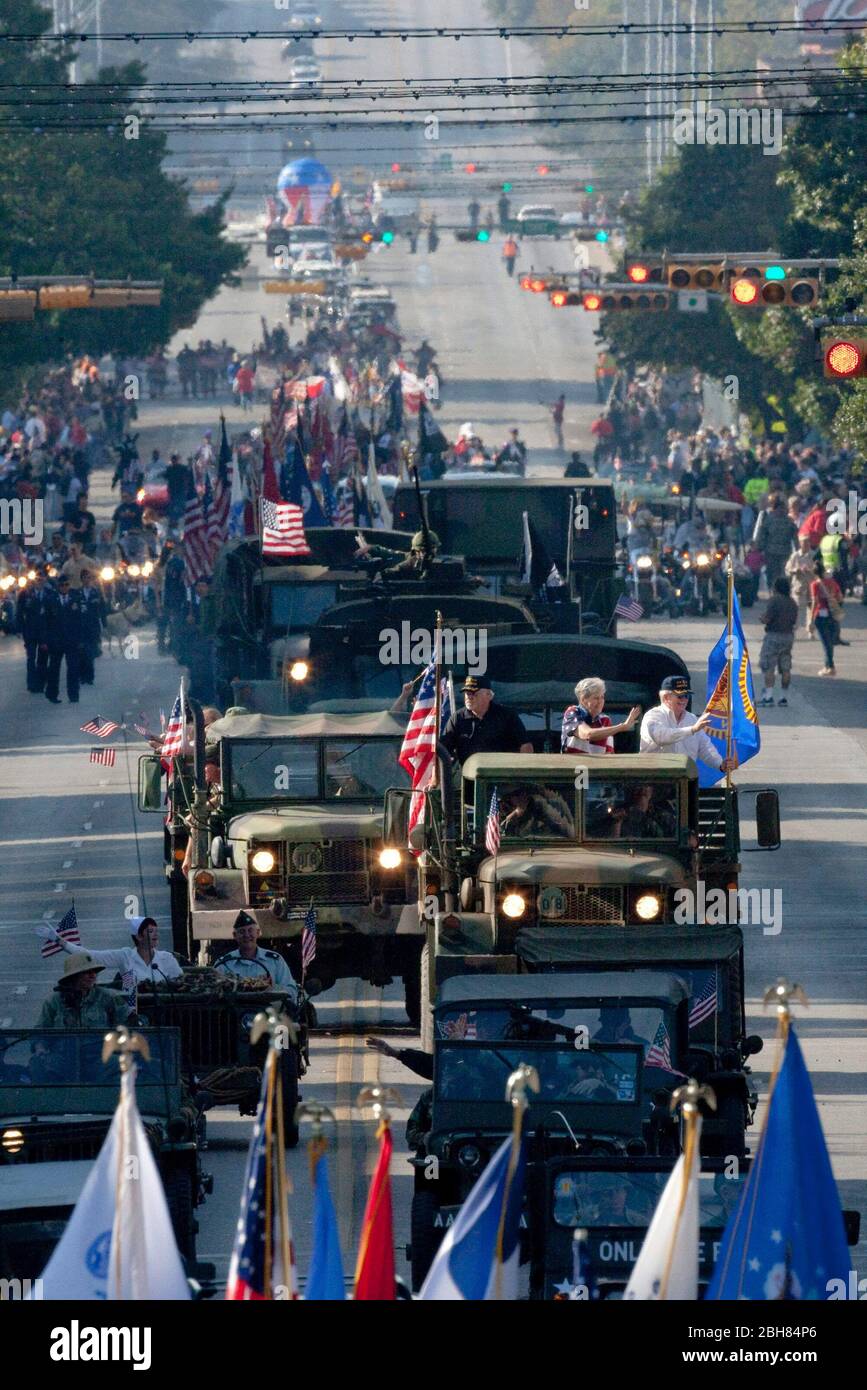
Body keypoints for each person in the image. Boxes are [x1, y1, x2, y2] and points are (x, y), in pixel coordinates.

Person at [40, 914, 184, 985]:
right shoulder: (125, 956)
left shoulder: (166, 958)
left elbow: (180, 984)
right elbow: (89, 956)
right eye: (150, 931)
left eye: (156, 931)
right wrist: (59, 941)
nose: (156, 935)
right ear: (139, 937)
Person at [640, 674, 736, 774]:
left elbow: (705, 747)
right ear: (666, 698)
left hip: (684, 779)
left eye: (687, 696)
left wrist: (720, 764)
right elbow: (661, 737)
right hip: (654, 779)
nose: (684, 700)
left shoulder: (692, 719)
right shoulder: (653, 715)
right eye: (680, 696)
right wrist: (692, 729)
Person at [441, 674, 533, 766]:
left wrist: (522, 772)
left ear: (489, 695)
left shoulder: (506, 716)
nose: (469, 697)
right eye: (467, 693)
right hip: (468, 775)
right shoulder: (457, 718)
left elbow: (525, 746)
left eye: (474, 693)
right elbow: (443, 751)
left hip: (502, 774)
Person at [214, 911, 298, 996]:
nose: (246, 935)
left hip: (269, 1008)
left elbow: (292, 991)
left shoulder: (275, 961)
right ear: (234, 935)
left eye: (250, 930)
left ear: (258, 933)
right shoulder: (224, 964)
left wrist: (272, 988)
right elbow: (213, 994)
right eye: (242, 932)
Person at [37, 952, 127, 1029]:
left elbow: (129, 1025)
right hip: (65, 1049)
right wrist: (40, 1048)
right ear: (73, 976)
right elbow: (40, 1032)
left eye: (94, 971)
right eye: (87, 972)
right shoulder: (54, 1001)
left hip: (98, 1049)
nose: (93, 976)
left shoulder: (108, 997)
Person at [561, 677, 640, 755]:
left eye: (602, 697)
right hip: (574, 766)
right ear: (583, 699)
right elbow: (587, 734)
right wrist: (622, 727)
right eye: (596, 698)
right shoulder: (573, 712)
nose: (600, 702)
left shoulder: (605, 719)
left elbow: (609, 754)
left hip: (597, 767)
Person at [759, 576, 799, 707]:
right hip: (788, 636)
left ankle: (768, 696)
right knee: (785, 667)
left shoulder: (774, 600)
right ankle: (783, 697)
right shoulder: (792, 602)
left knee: (769, 666)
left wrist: (762, 618)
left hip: (773, 635)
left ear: (776, 588)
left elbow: (767, 618)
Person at [43, 575, 82, 704]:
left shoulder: (75, 598)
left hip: (71, 640)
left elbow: (80, 621)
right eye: (62, 585)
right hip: (56, 640)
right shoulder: (50, 600)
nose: (64, 588)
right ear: (58, 587)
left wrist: (81, 639)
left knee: (73, 668)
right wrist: (45, 640)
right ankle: (52, 694)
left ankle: (73, 695)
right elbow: (45, 622)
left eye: (66, 585)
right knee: (54, 669)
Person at [753, 492, 797, 594]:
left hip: (785, 552)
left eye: (783, 508)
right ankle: (773, 591)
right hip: (771, 552)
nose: (781, 511)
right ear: (775, 509)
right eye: (779, 508)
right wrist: (758, 548)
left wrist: (798, 550)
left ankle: (784, 592)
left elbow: (795, 536)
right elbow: (761, 534)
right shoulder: (768, 520)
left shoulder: (789, 521)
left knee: (785, 573)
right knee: (772, 574)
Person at [809, 557, 843, 677]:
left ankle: (830, 667)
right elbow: (840, 597)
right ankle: (829, 665)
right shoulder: (832, 582)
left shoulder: (815, 585)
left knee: (825, 642)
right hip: (832, 614)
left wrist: (811, 620)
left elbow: (815, 602)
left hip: (820, 614)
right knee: (829, 641)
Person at [16, 567, 49, 693]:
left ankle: (41, 682)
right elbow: (20, 612)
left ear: (45, 579)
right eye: (37, 578)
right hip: (30, 631)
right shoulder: (25, 594)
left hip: (44, 632)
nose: (39, 581)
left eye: (41, 578)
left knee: (43, 658)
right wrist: (19, 629)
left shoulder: (49, 594)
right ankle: (31, 684)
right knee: (31, 658)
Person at [77, 568, 106, 685]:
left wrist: (104, 625)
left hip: (93, 627)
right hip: (80, 626)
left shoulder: (96, 593)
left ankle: (89, 676)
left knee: (91, 652)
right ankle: (81, 675)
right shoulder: (77, 593)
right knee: (81, 652)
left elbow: (102, 609)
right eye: (85, 578)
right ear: (82, 579)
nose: (87, 580)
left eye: (89, 578)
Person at [784, 536, 816, 637]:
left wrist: (811, 570)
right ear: (800, 544)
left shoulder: (814, 555)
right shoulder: (795, 556)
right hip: (799, 585)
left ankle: (810, 630)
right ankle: (793, 629)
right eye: (803, 543)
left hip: (811, 585)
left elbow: (820, 569)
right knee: (796, 608)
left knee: (812, 609)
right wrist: (796, 570)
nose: (805, 545)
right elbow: (788, 569)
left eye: (807, 543)